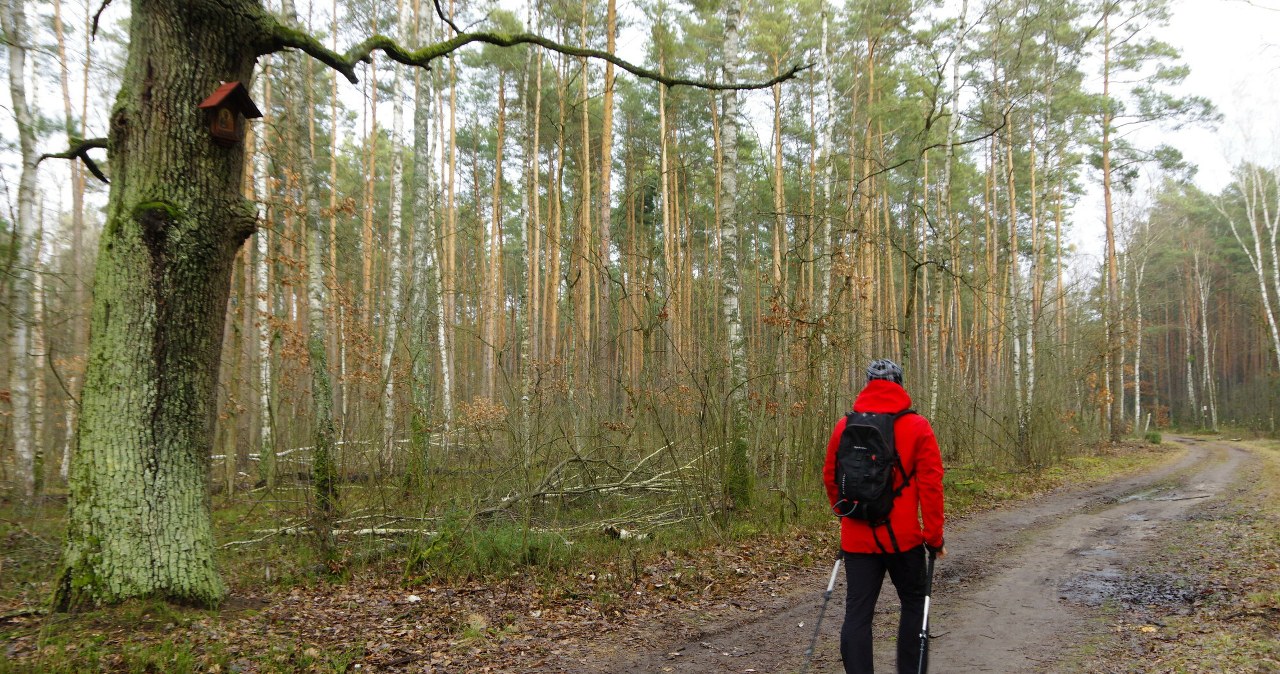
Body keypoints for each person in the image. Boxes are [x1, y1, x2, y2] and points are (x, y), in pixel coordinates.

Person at [823, 358, 946, 674]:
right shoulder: (917, 426)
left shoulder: (844, 426)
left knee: (858, 613)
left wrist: (847, 513)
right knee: (914, 604)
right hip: (903, 540)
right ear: (900, 384)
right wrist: (934, 537)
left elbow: (831, 477)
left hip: (857, 537)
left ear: (867, 384)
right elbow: (931, 486)